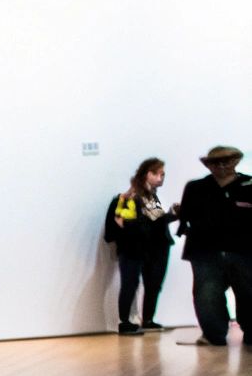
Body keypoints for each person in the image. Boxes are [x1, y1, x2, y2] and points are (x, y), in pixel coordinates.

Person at [174, 145, 252, 347]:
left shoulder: (249, 185)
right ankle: (213, 335)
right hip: (205, 251)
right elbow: (186, 217)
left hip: (244, 250)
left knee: (248, 292)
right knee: (207, 295)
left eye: (227, 161)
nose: (222, 166)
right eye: (216, 162)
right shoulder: (195, 187)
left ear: (236, 161)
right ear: (208, 165)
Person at [103, 158, 179, 334]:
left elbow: (156, 222)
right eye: (157, 174)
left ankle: (147, 320)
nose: (161, 178)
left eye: (163, 174)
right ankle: (125, 322)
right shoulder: (129, 197)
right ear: (146, 174)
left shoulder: (150, 198)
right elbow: (124, 223)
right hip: (134, 248)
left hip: (154, 247)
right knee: (130, 283)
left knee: (153, 284)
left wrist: (172, 215)